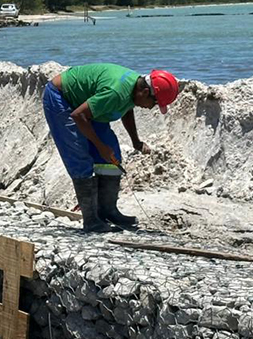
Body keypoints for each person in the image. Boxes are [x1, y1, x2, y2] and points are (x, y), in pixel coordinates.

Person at [42, 64, 179, 232]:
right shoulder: (115, 92)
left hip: (88, 103)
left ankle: (108, 211)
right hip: (61, 98)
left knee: (111, 151)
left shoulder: (134, 87)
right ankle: (91, 220)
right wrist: (100, 147)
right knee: (79, 155)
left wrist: (136, 141)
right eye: (154, 103)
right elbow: (79, 115)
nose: (151, 108)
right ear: (144, 92)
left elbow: (126, 109)